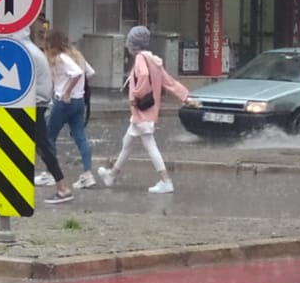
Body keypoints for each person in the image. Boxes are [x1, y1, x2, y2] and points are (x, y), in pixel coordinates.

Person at [97, 25, 191, 194]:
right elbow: (169, 82)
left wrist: (136, 97)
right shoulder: (154, 59)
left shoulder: (141, 58)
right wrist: (185, 96)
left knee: (150, 145)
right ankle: (111, 175)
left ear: (134, 44)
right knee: (128, 143)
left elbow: (144, 76)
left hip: (142, 112)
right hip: (145, 112)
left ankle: (166, 181)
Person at [22, 27, 74, 204]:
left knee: (42, 146)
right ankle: (59, 186)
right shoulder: (33, 51)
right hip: (37, 103)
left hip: (34, 104)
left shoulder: (26, 52)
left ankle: (62, 187)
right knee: (37, 145)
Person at [45, 30, 95, 190]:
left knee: (49, 137)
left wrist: (67, 91)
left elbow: (77, 73)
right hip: (79, 102)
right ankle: (88, 174)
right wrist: (78, 89)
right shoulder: (76, 55)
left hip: (64, 102)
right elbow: (90, 73)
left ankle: (50, 174)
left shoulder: (61, 58)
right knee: (81, 138)